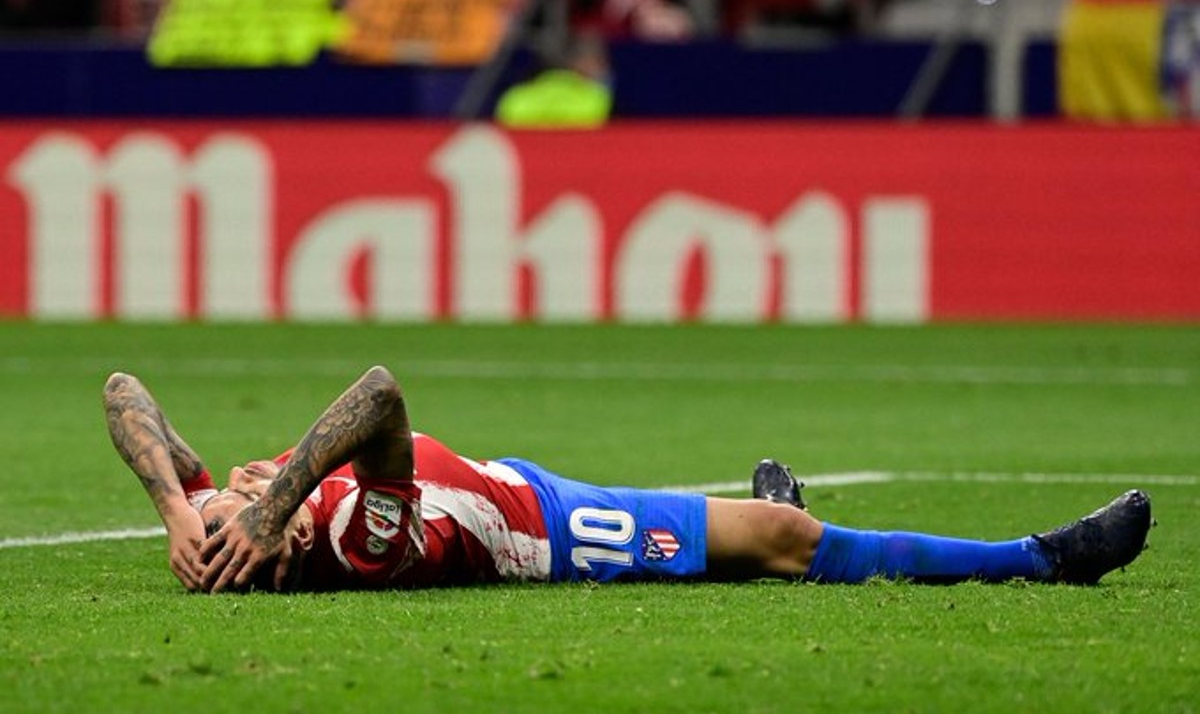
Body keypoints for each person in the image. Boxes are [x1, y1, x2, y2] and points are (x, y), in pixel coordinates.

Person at [102, 366, 1153, 594]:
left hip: (508, 481)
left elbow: (122, 393)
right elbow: (379, 399)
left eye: (227, 506)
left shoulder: (217, 516)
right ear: (275, 549)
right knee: (788, 550)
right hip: (552, 533)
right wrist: (284, 495)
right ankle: (1045, 561)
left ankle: (768, 511)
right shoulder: (357, 544)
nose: (232, 502)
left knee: (761, 531)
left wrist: (174, 510)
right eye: (242, 521)